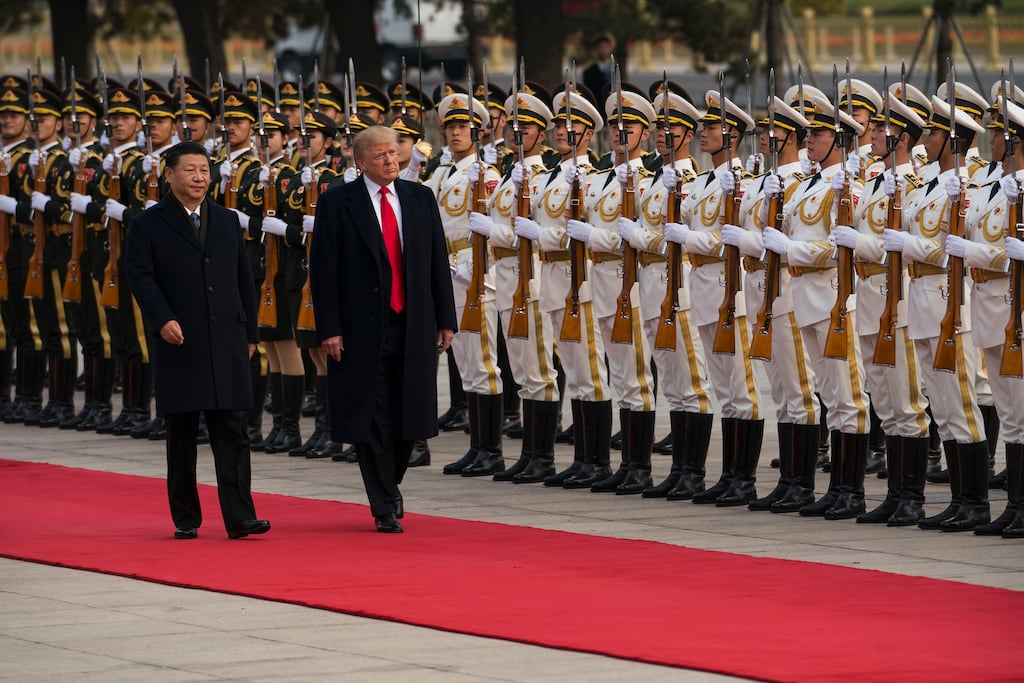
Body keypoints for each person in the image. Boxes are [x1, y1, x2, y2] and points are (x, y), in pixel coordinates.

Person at [310, 125, 457, 533]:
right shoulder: (338, 203)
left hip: (412, 320)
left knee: (407, 411)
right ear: (360, 162)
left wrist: (446, 318)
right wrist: (330, 329)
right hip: (360, 326)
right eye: (381, 156)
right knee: (371, 413)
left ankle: (389, 484)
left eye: (394, 153)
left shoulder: (419, 197)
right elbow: (324, 272)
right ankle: (383, 502)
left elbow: (435, 262)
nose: (392, 161)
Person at [125, 141, 270, 541]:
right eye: (189, 170)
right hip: (180, 338)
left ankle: (240, 516)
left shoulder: (226, 220)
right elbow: (140, 276)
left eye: (204, 170)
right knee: (183, 432)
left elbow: (244, 278)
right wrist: (161, 319)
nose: (199, 178)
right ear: (168, 174)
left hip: (227, 336)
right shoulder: (147, 223)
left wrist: (250, 333)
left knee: (234, 430)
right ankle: (186, 516)